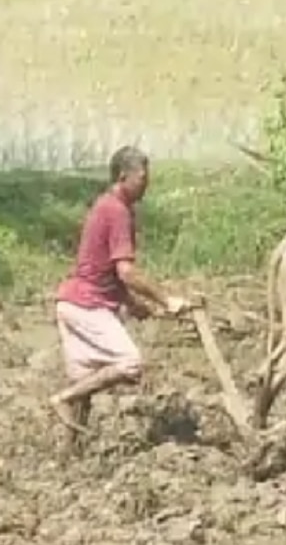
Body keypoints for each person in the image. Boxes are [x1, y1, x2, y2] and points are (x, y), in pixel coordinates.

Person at [49, 145, 201, 437]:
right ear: (123, 176)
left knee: (85, 387)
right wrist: (166, 300)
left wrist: (133, 305)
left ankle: (69, 458)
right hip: (87, 307)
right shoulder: (117, 211)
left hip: (73, 303)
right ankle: (61, 399)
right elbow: (126, 272)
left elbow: (107, 273)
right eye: (142, 177)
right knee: (130, 363)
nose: (147, 184)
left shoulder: (107, 205)